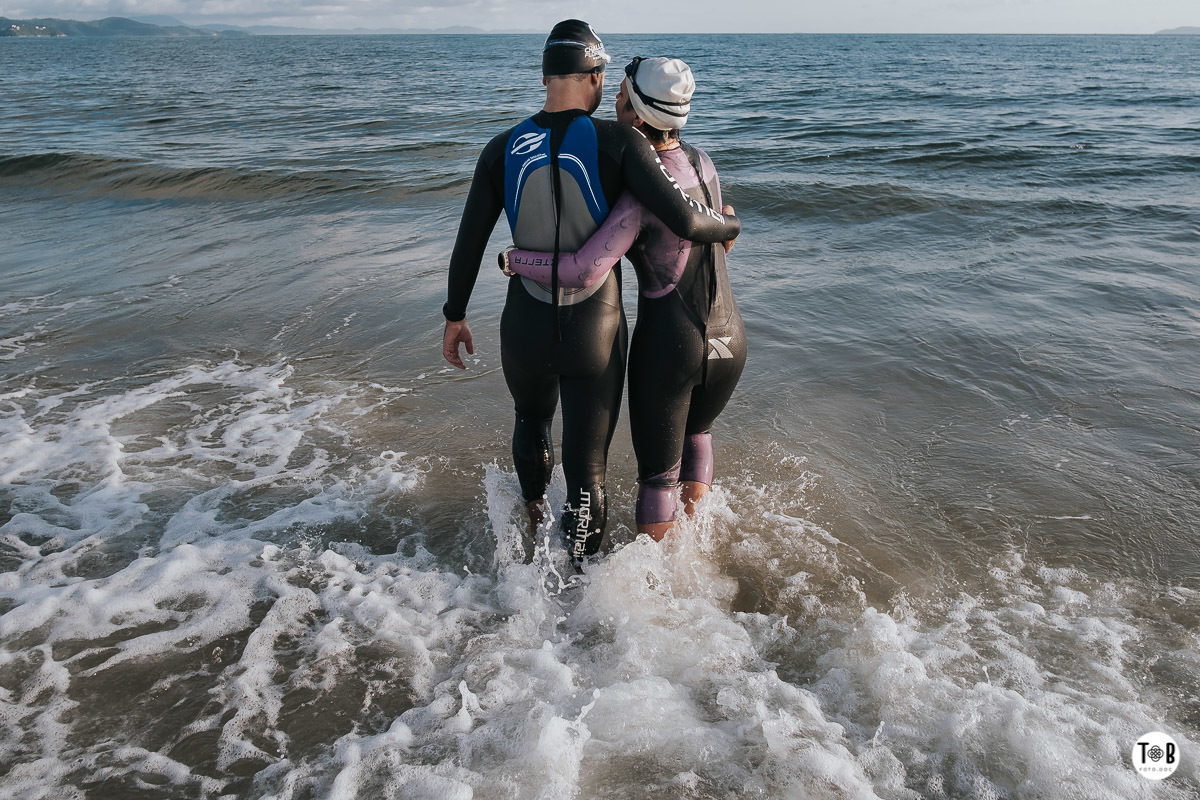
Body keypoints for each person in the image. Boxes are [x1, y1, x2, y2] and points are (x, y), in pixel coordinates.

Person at [442, 22, 741, 563]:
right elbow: (681, 216)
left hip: (524, 324)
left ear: (543, 77)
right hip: (593, 328)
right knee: (589, 469)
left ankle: (533, 540)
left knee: (530, 422)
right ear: (598, 77)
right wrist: (729, 225)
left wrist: (455, 314)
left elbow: (468, 242)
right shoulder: (618, 140)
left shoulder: (500, 148)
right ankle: (580, 580)